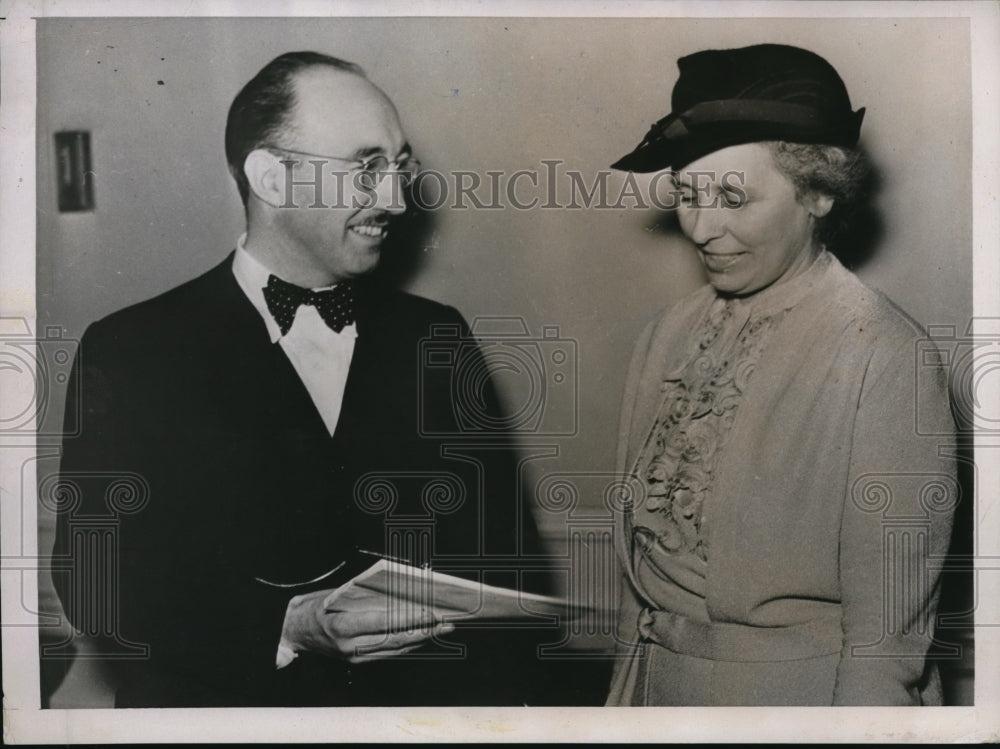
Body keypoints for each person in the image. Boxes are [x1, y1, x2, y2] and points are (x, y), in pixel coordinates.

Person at [51, 51, 549, 707]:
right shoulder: (132, 349)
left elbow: (508, 562)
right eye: (366, 168)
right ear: (272, 178)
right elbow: (94, 584)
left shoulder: (438, 336)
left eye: (398, 167)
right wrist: (285, 626)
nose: (396, 199)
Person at [604, 44, 957, 705]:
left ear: (818, 192)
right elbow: (637, 587)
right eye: (688, 195)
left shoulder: (885, 357)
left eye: (734, 198)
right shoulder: (666, 336)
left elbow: (884, 648)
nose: (701, 229)